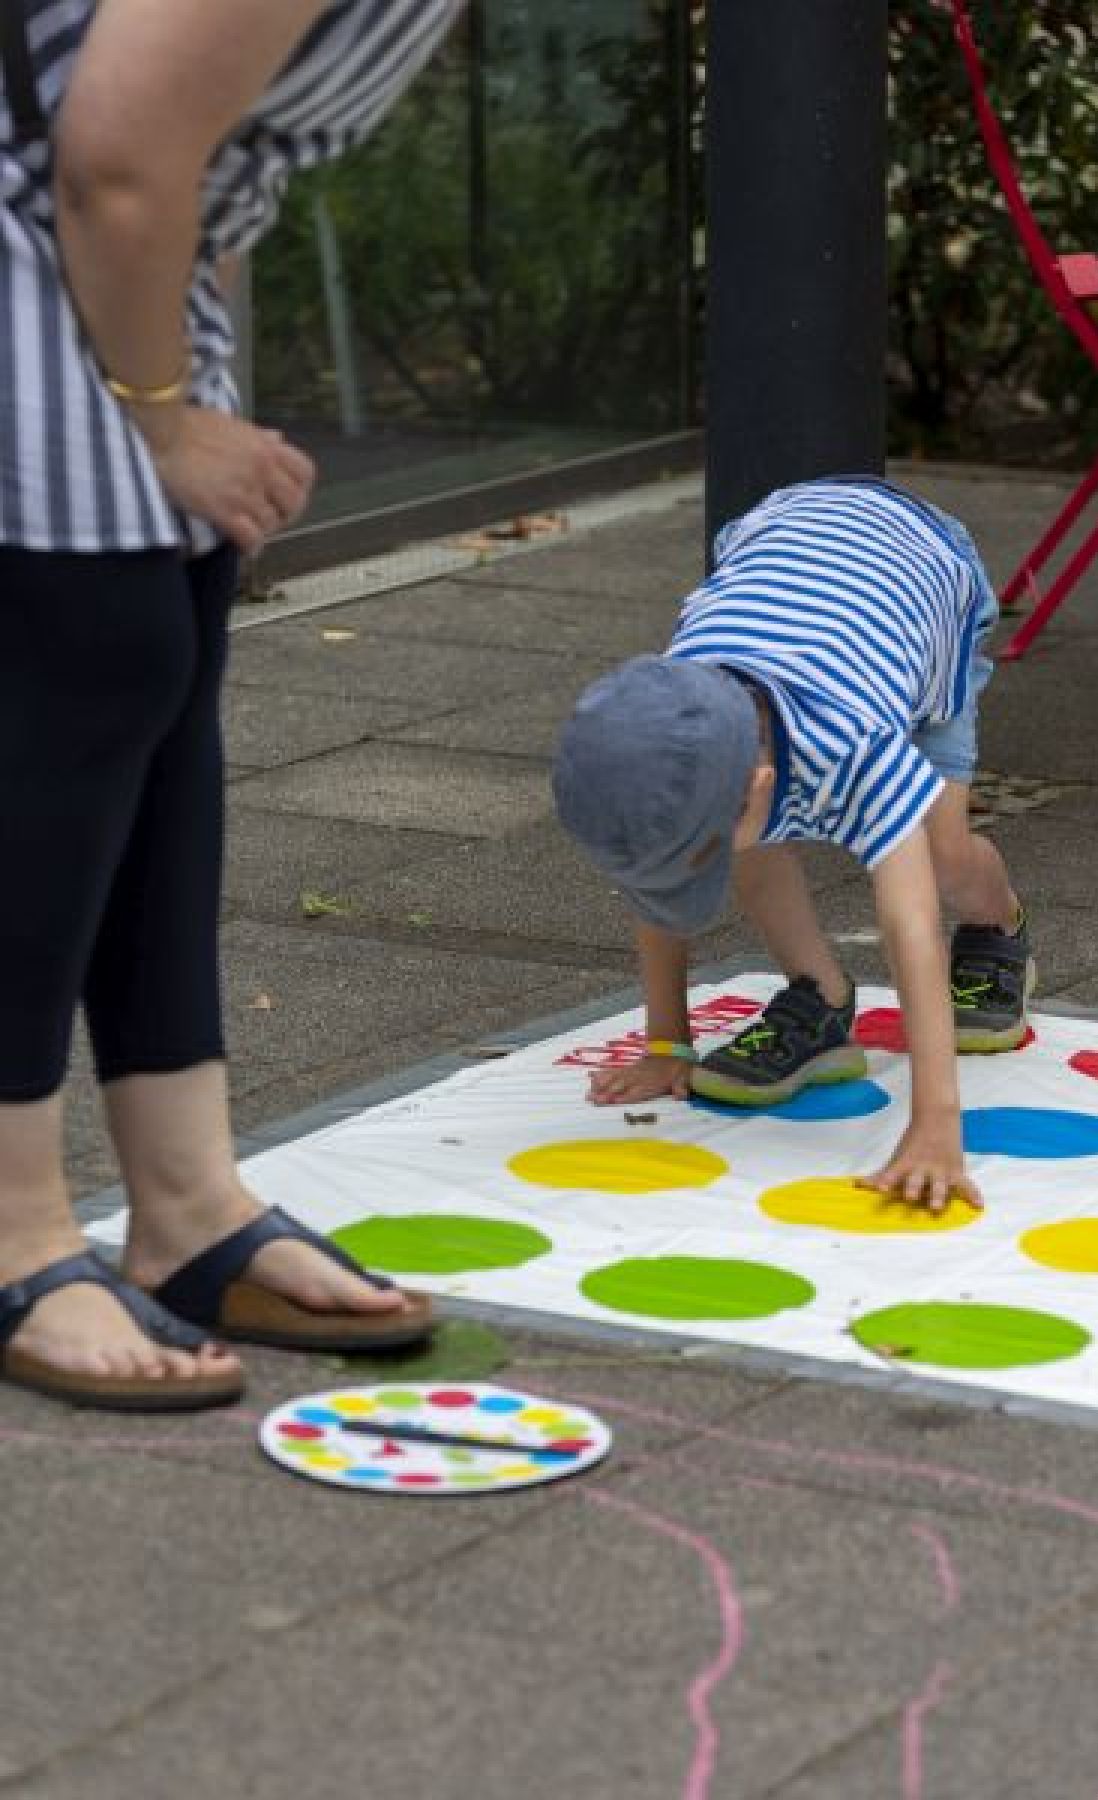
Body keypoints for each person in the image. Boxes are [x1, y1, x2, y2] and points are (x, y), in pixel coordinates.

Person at [0, 0, 466, 1411]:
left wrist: (170, 373)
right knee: (85, 656)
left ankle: (188, 1202)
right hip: (55, 206)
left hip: (97, 226)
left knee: (170, 643)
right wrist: (156, 420)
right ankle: (15, 1229)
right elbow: (119, 156)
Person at [553, 476, 1033, 1215]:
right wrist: (666, 1046)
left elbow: (907, 926)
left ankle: (999, 928)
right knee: (739, 839)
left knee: (939, 854)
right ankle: (822, 999)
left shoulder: (859, 749)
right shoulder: (673, 734)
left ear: (762, 780)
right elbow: (658, 882)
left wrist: (937, 1126)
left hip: (922, 575)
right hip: (780, 543)